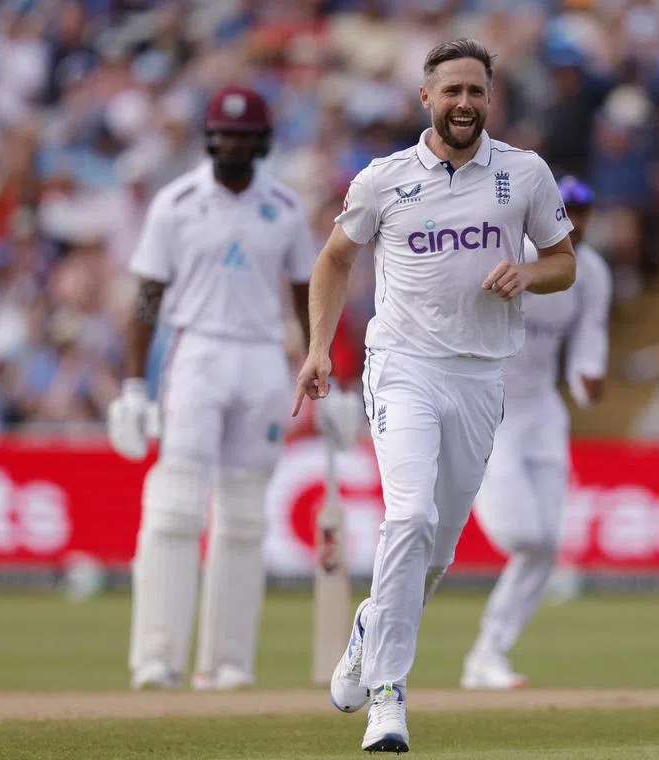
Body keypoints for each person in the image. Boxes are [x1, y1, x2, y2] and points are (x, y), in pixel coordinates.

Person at [292, 38, 577, 754]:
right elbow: (332, 261)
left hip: (482, 376)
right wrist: (319, 348)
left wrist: (527, 274)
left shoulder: (524, 173)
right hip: (404, 369)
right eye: (451, 91)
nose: (464, 104)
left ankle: (370, 628)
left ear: (491, 98)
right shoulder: (384, 179)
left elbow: (564, 263)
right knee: (409, 516)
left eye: (476, 92)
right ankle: (388, 699)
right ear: (426, 98)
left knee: (436, 555)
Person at [107, 85, 318, 692]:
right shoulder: (176, 203)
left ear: (263, 141)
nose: (234, 144)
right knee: (175, 504)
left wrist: (320, 361)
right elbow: (146, 298)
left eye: (246, 135)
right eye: (225, 134)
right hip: (195, 350)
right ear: (208, 137)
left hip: (260, 358)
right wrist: (131, 385)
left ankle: (228, 662)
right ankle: (158, 657)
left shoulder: (283, 206)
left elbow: (307, 291)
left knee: (245, 514)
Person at [461, 176, 611, 690]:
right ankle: (466, 481)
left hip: (544, 411)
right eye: (568, 210)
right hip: (494, 407)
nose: (578, 220)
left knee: (545, 546)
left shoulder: (591, 271)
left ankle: (488, 654)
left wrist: (587, 379)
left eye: (584, 211)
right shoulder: (514, 254)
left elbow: (589, 339)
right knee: (524, 534)